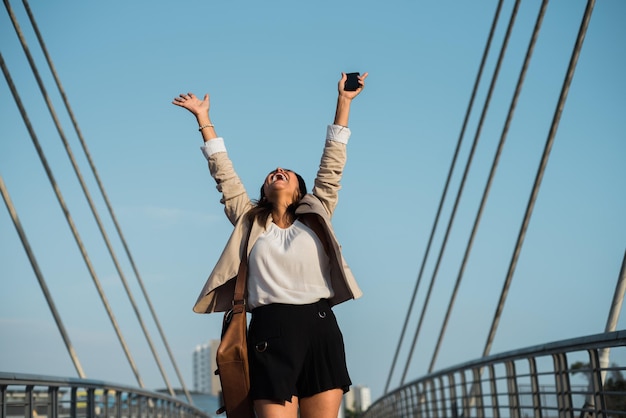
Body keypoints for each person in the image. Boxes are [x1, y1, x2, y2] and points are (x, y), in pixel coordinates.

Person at [172, 71, 368, 418]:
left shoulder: (316, 213)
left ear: (300, 189)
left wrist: (343, 102)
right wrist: (204, 119)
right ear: (264, 190)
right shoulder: (249, 220)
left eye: (287, 171)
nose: (278, 169)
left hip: (321, 327)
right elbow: (224, 174)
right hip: (269, 330)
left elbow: (333, 162)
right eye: (272, 172)